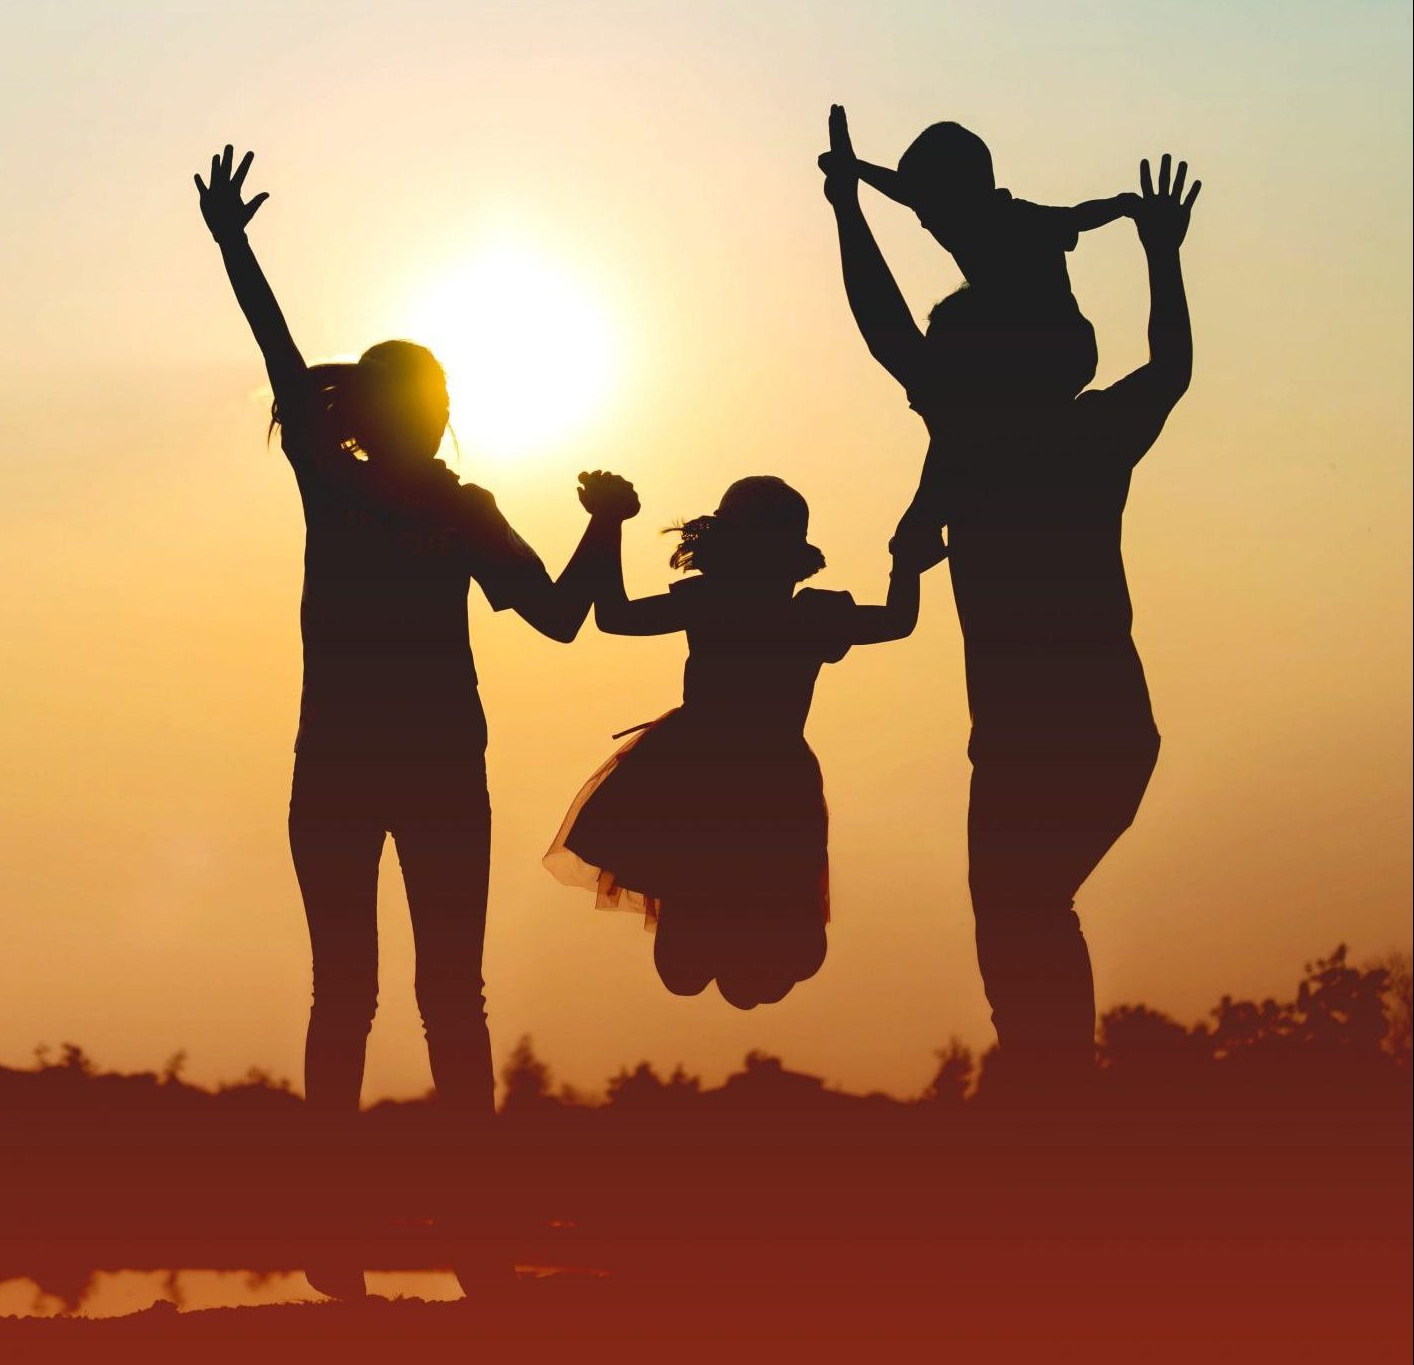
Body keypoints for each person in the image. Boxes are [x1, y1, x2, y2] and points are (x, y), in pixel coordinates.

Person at [193, 144, 636, 1294]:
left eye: (444, 399)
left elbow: (556, 618)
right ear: (390, 412)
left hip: (418, 770)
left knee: (430, 998)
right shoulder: (338, 482)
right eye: (424, 399)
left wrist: (604, 525)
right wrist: (236, 247)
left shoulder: (458, 507)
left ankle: (461, 1244)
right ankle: (372, 1245)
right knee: (379, 994)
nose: (439, 415)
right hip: (367, 767)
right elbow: (288, 369)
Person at [820, 120, 1201, 1097]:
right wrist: (1162, 260)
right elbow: (1167, 370)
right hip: (1109, 732)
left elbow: (888, 332)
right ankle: (1051, 1106)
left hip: (1039, 737)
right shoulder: (1080, 434)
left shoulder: (979, 444)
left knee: (1018, 912)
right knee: (1023, 915)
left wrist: (848, 213)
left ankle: (1054, 1116)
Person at [545, 474, 927, 1009]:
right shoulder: (807, 615)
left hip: (706, 776)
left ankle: (731, 939)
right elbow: (900, 620)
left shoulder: (719, 603)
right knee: (739, 970)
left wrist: (611, 522)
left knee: (711, 967)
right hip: (757, 781)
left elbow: (613, 616)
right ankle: (737, 941)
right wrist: (906, 563)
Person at [819, 107, 1140, 566]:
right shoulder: (953, 213)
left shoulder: (1016, 220)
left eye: (927, 207)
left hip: (1057, 344)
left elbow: (1079, 216)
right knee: (958, 416)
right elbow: (906, 192)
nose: (923, 222)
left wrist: (1123, 207)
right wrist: (854, 172)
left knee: (960, 412)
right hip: (1021, 363)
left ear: (957, 191)